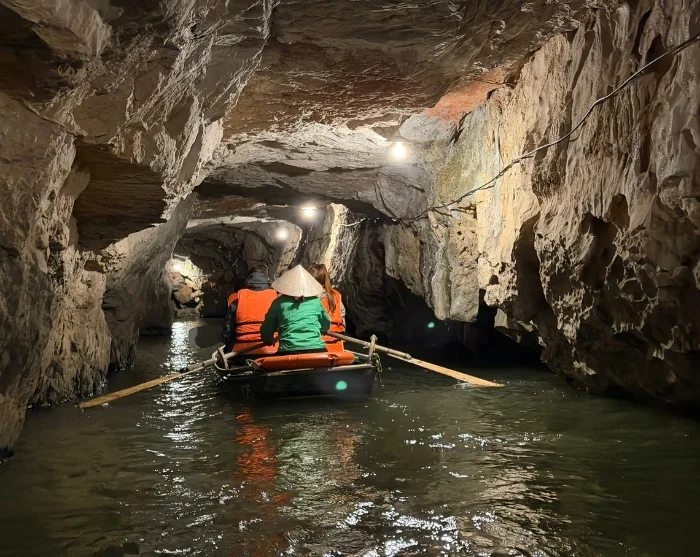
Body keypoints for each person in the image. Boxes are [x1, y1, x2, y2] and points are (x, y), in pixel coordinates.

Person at [261, 265, 331, 355]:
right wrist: (321, 331)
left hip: (288, 350)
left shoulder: (278, 303)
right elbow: (326, 323)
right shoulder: (316, 301)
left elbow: (267, 329)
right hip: (316, 348)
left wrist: (268, 340)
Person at [223, 265, 278, 355]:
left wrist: (227, 350)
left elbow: (228, 332)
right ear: (267, 278)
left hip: (242, 353)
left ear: (248, 279)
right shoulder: (276, 298)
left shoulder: (237, 300)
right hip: (272, 351)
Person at [308, 263, 346, 352]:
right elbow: (343, 321)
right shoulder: (336, 296)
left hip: (314, 345)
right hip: (336, 346)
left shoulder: (307, 297)